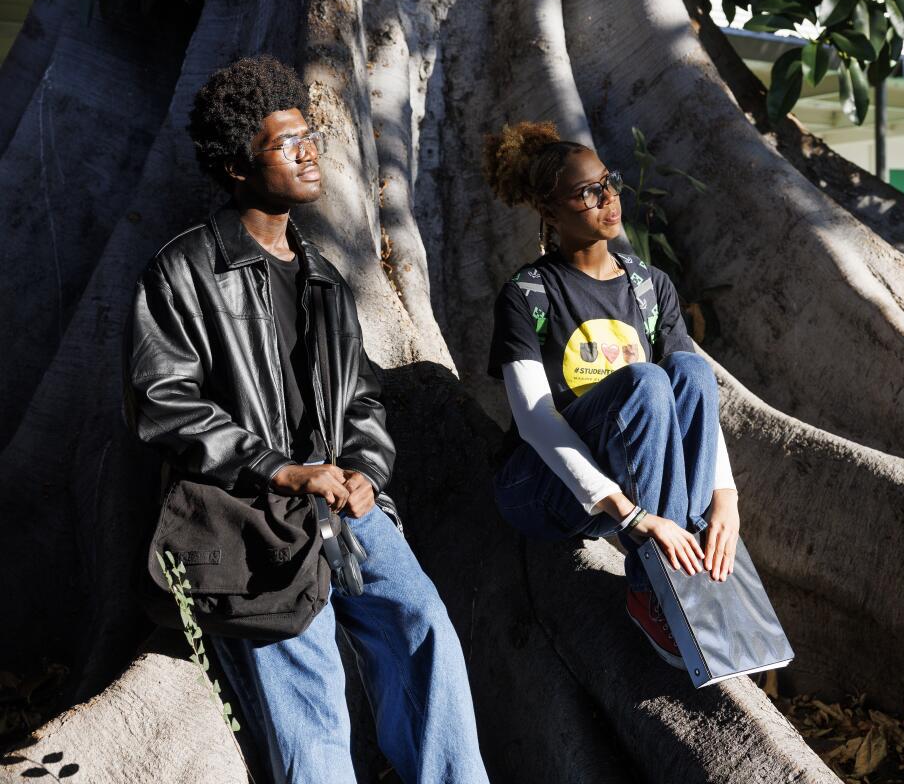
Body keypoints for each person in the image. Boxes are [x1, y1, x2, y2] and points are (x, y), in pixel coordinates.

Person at [123, 55, 489, 784]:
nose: (309, 151)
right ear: (237, 166)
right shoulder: (184, 270)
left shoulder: (321, 273)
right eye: (285, 144)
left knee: (424, 627)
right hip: (249, 515)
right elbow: (162, 400)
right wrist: (280, 469)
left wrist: (366, 473)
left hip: (344, 504)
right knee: (310, 691)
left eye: (309, 136)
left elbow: (360, 398)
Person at [482, 121, 741, 669]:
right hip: (544, 486)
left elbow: (695, 403)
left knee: (690, 372)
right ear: (550, 212)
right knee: (647, 381)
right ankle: (654, 589)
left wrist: (727, 501)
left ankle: (685, 559)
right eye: (588, 193)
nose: (609, 199)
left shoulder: (649, 286)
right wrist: (629, 516)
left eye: (610, 182)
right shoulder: (529, 294)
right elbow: (535, 421)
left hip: (637, 487)